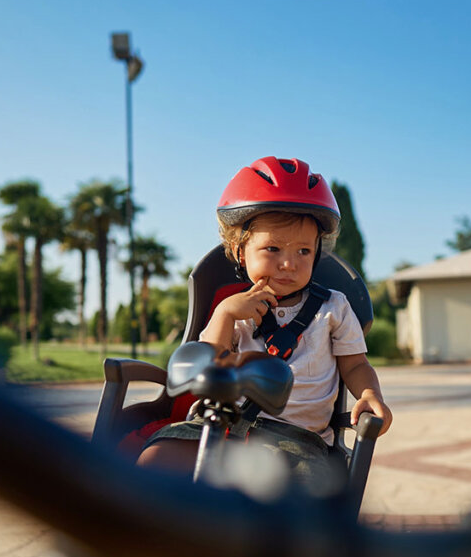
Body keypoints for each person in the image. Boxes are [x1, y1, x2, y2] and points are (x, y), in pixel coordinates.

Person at [137, 156, 392, 492]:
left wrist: (370, 393)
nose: (289, 263)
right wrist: (225, 314)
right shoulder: (232, 306)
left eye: (303, 251)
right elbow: (204, 368)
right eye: (272, 248)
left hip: (296, 439)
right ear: (240, 251)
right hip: (218, 422)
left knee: (291, 496)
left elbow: (356, 364)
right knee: (154, 460)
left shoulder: (334, 306)